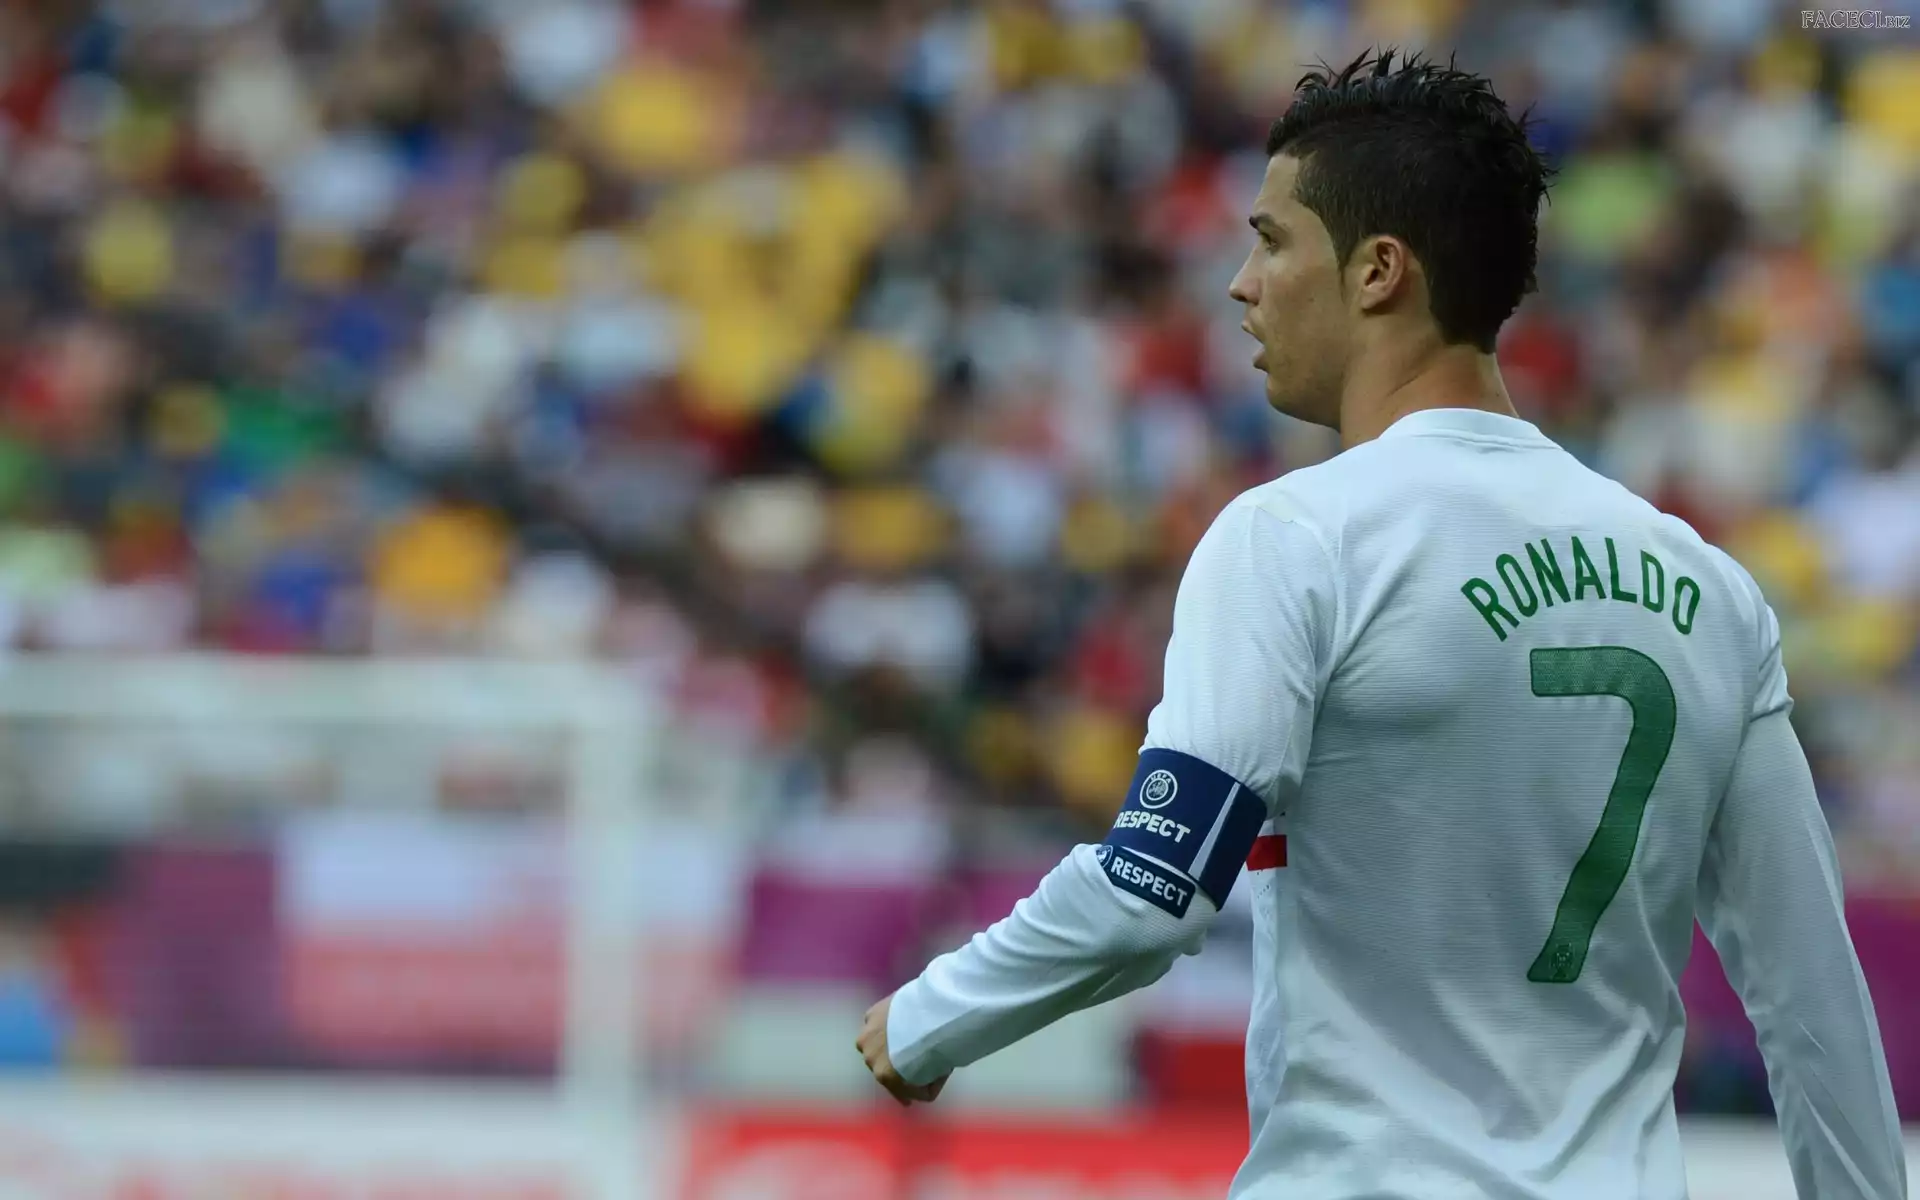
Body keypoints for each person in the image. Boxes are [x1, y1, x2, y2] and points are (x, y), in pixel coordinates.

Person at [855, 48, 1908, 1199]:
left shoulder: (1297, 537)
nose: (1240, 284)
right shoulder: (1708, 588)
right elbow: (1812, 999)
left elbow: (1152, 893)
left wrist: (929, 1017)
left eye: (1271, 242)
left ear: (1377, 272)